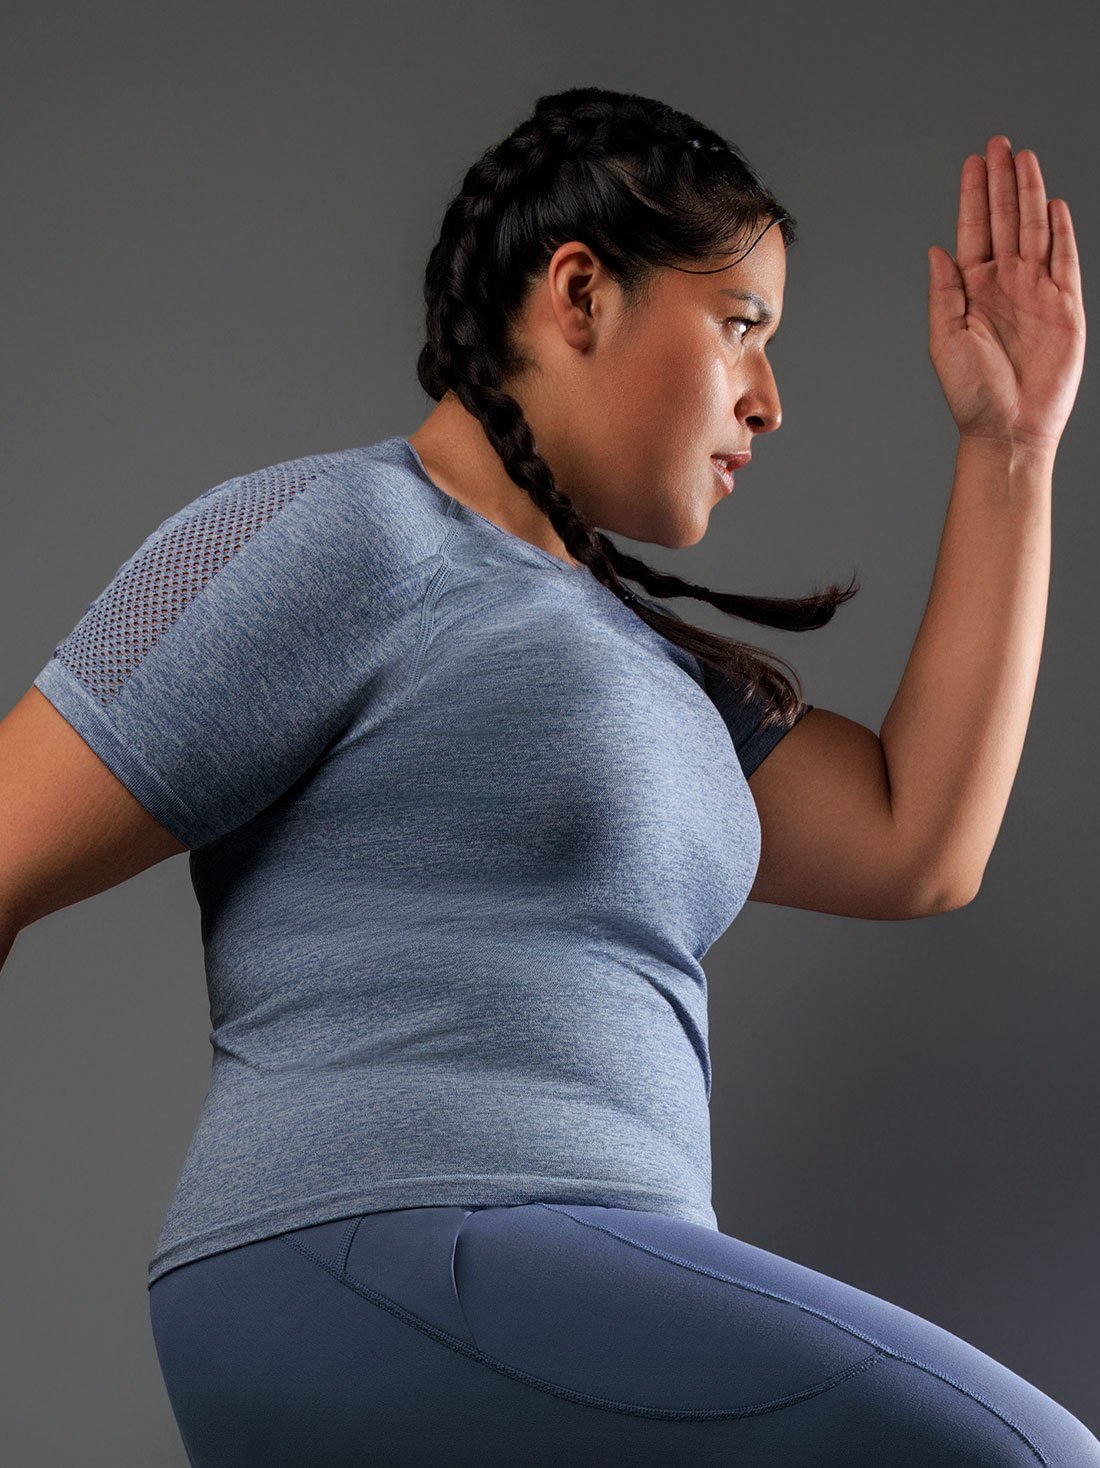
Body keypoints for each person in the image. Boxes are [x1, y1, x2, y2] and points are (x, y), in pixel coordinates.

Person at [0, 85, 1093, 1466]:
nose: (767, 399)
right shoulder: (342, 533)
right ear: (581, 294)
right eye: (740, 325)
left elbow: (915, 840)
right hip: (371, 1251)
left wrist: (1011, 444)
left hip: (547, 1287)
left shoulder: (641, 665)